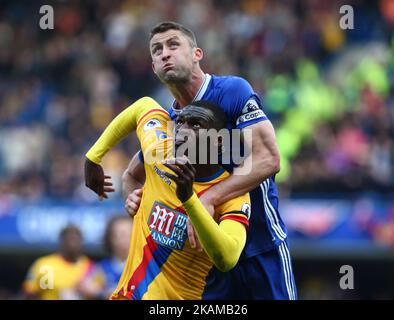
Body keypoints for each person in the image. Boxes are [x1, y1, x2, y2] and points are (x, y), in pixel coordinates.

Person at [122, 21, 297, 299]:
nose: (164, 53)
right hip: (203, 260)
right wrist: (135, 200)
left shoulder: (231, 92)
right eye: (156, 50)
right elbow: (132, 174)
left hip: (260, 247)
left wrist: (208, 199)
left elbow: (269, 159)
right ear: (153, 67)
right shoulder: (169, 123)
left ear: (197, 54)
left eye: (173, 44)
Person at [84, 97, 250, 299]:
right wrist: (93, 158)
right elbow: (143, 106)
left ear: (220, 140)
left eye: (196, 124)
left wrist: (189, 199)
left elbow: (227, 258)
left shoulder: (232, 194)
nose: (182, 130)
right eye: (180, 122)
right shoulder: (161, 151)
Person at [22, 225, 95, 300]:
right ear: (62, 241)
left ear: (82, 242)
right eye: (69, 239)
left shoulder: (90, 267)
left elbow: (101, 292)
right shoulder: (46, 266)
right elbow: (30, 293)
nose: (73, 244)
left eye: (76, 239)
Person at [76, 215, 133, 299]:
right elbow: (83, 286)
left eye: (125, 234)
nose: (121, 239)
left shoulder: (142, 267)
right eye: (116, 235)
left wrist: (103, 292)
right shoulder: (101, 268)